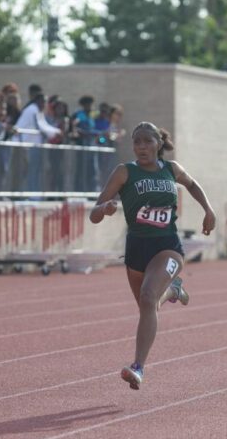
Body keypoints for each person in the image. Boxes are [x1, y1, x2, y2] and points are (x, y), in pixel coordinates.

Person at [89, 121, 216, 390]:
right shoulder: (125, 172)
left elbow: (192, 185)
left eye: (147, 141)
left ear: (159, 144)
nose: (142, 147)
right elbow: (95, 212)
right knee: (150, 306)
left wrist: (208, 209)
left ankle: (138, 367)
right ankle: (174, 290)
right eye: (137, 142)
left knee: (148, 297)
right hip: (136, 249)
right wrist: (106, 209)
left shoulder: (172, 169)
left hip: (167, 246)